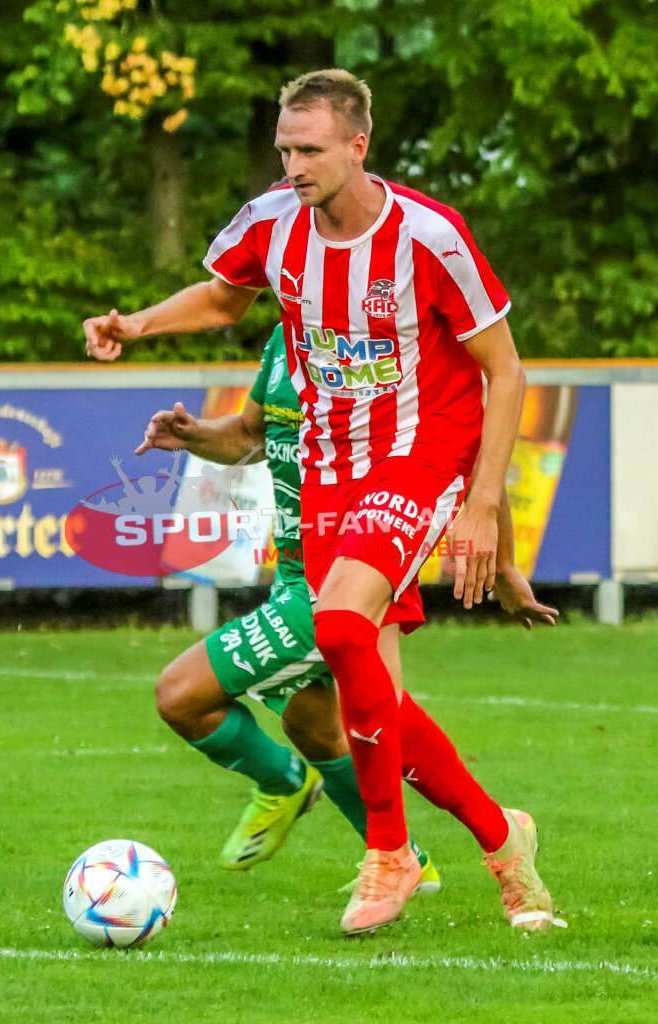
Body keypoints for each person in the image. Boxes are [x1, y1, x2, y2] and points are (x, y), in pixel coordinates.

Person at [84, 68, 561, 935]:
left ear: (357, 145)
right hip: (332, 466)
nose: (294, 165)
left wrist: (484, 502)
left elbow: (505, 366)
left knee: (338, 628)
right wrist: (137, 324)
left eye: (309, 150)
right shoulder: (271, 222)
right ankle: (501, 838)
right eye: (284, 149)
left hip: (421, 451)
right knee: (353, 692)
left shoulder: (427, 235)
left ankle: (388, 854)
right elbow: (226, 296)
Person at [134, 322, 442, 890]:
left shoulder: (372, 344)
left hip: (340, 576)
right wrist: (196, 435)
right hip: (294, 573)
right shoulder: (284, 338)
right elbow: (252, 434)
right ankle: (405, 860)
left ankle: (282, 783)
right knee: (313, 725)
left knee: (179, 696)